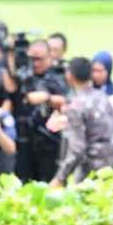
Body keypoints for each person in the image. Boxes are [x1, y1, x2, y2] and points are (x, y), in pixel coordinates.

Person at [50, 57, 113, 187]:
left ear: (70, 76)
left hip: (93, 170)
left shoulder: (75, 105)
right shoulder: (102, 97)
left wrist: (60, 177)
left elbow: (77, 148)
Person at [14, 40, 68, 182]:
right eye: (31, 59)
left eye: (39, 59)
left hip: (50, 141)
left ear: (50, 56)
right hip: (24, 139)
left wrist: (47, 98)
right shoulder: (23, 75)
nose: (35, 63)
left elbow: (68, 101)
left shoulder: (59, 76)